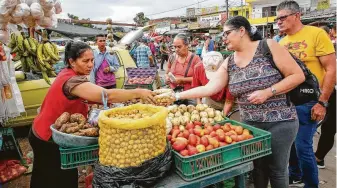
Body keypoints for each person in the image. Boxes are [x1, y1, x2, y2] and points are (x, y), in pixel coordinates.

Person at [172, 16, 305, 188]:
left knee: (277, 170)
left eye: (227, 33)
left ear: (242, 31)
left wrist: (268, 92)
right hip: (250, 124)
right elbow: (210, 88)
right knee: (258, 170)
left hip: (280, 121)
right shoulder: (230, 61)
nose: (223, 38)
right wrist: (175, 97)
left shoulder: (268, 46)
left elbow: (297, 76)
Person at [28, 41, 155, 188]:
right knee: (57, 179)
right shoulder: (71, 80)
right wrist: (138, 92)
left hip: (45, 133)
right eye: (85, 61)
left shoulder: (71, 74)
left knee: (45, 176)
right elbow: (106, 95)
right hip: (47, 138)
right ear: (71, 61)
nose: (90, 65)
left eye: (92, 60)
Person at [276, 1, 336, 187]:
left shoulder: (316, 33)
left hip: (311, 100)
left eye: (283, 17)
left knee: (303, 146)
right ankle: (295, 174)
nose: (279, 22)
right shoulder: (282, 42)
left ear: (297, 16)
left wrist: (322, 102)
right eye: (277, 18)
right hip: (290, 101)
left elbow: (331, 69)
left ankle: (311, 184)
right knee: (292, 143)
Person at [165, 33, 202, 105]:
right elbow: (167, 72)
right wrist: (167, 78)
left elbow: (199, 79)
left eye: (179, 47)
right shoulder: (172, 57)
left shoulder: (195, 59)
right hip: (174, 93)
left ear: (187, 45)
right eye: (174, 47)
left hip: (190, 94)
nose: (176, 49)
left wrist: (182, 79)